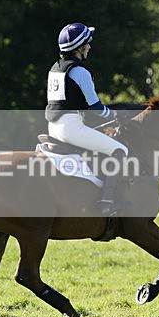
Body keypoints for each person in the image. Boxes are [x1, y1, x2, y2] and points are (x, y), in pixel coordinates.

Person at [45, 22, 129, 216]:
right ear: (79, 48)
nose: (89, 47)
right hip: (71, 129)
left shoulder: (55, 68)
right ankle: (107, 200)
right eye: (87, 44)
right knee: (120, 150)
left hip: (54, 127)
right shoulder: (80, 72)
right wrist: (115, 115)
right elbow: (96, 107)